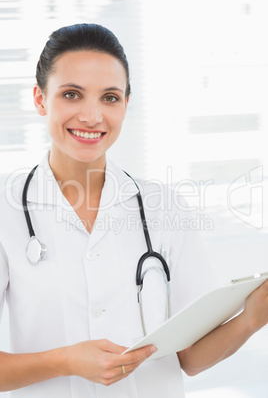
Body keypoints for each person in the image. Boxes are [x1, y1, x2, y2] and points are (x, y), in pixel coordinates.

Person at [0, 23, 268, 398]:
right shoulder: (7, 211)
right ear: (40, 99)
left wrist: (253, 318)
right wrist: (64, 361)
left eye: (109, 97)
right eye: (72, 94)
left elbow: (191, 357)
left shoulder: (164, 207)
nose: (92, 116)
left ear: (126, 104)